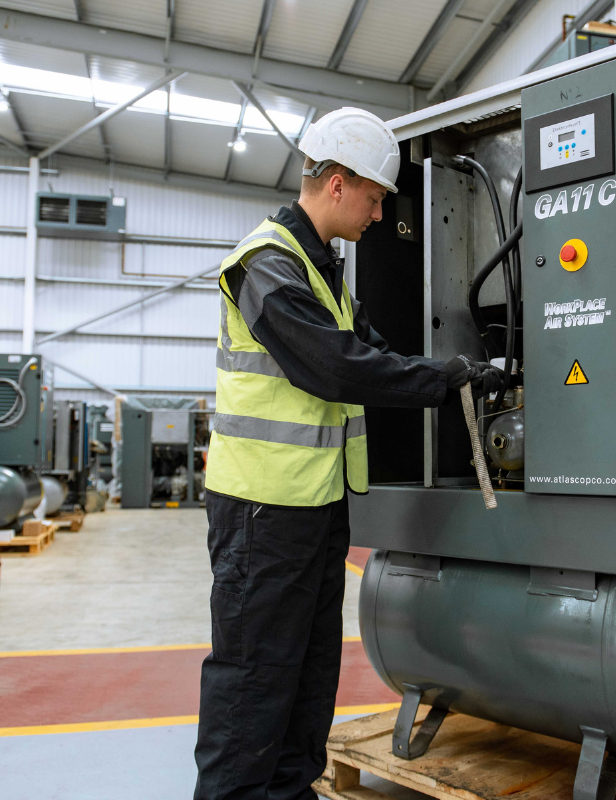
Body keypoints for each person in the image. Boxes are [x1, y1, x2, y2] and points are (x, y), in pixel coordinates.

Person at [194, 107, 503, 800]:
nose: (380, 212)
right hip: (260, 513)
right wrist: (439, 381)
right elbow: (334, 368)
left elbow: (375, 354)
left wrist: (459, 372)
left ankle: (290, 789)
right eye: (374, 197)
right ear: (337, 183)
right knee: (253, 676)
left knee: (306, 670)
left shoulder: (324, 272)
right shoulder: (264, 263)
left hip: (311, 508)